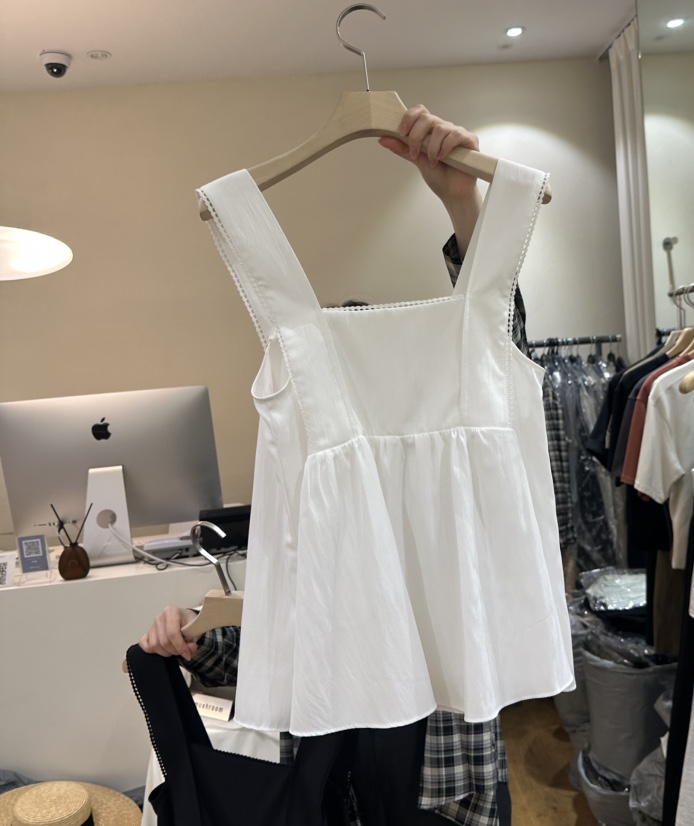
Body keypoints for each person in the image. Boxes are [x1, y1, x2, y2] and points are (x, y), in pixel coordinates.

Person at [141, 106, 532, 826]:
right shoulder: (314, 483)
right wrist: (191, 637)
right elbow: (275, 636)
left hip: (447, 786)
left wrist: (463, 203)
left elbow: (491, 345)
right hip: (332, 792)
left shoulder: (448, 474)